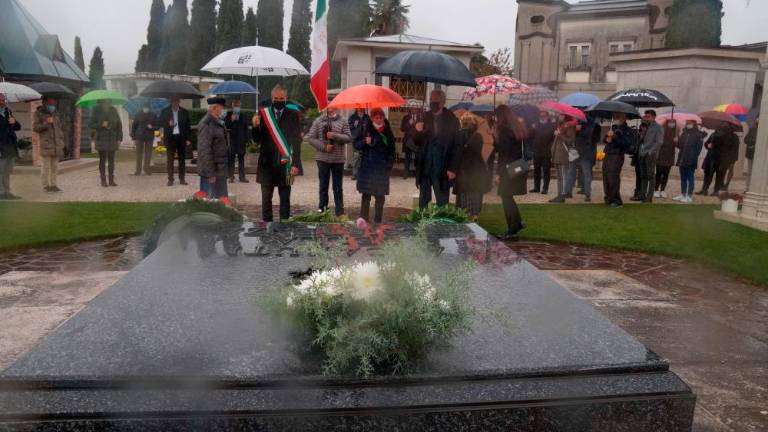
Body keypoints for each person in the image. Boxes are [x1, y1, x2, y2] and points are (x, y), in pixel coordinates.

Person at [252, 85, 302, 222]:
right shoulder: (263, 114)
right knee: (266, 200)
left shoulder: (293, 115)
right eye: (276, 98)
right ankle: (267, 226)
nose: (279, 100)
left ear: (286, 98)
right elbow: (256, 140)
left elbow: (297, 142)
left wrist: (296, 164)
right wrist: (255, 127)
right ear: (271, 98)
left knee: (285, 200)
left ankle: (284, 226)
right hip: (266, 164)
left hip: (285, 164)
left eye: (282, 98)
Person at [414, 89, 461, 208]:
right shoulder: (424, 117)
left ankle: (441, 220)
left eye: (436, 100)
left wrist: (453, 168)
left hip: (442, 167)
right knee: (423, 203)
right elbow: (416, 142)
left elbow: (457, 146)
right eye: (431, 99)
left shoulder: (451, 119)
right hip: (425, 166)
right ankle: (423, 219)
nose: (432, 102)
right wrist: (417, 131)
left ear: (443, 102)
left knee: (442, 203)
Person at [308, 106, 352, 216]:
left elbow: (348, 138)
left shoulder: (343, 121)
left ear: (336, 107)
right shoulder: (318, 121)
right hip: (322, 159)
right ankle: (322, 210)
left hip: (338, 159)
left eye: (331, 106)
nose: (329, 109)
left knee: (338, 187)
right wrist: (324, 147)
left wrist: (335, 136)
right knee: (323, 186)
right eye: (327, 106)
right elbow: (311, 138)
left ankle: (339, 212)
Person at [354, 107, 395, 223]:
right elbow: (356, 144)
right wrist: (364, 142)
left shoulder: (387, 131)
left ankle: (378, 220)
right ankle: (364, 220)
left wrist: (389, 165)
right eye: (376, 118)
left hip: (381, 169)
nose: (379, 120)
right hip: (368, 168)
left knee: (380, 196)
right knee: (366, 196)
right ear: (372, 118)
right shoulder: (365, 128)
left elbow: (392, 150)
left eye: (381, 117)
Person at [494, 105, 529, 240]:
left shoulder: (504, 130)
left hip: (508, 169)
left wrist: (498, 173)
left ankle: (512, 228)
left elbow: (504, 153)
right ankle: (517, 224)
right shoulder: (516, 127)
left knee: (506, 197)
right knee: (507, 197)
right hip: (517, 166)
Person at [454, 113, 490, 220]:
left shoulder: (458, 135)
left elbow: (456, 153)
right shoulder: (477, 136)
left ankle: (463, 215)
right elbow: (477, 152)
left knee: (463, 195)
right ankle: (474, 216)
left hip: (462, 170)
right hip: (476, 170)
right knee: (475, 194)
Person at [197, 97, 230, 199]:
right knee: (210, 204)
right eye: (222, 107)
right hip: (212, 173)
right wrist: (210, 173)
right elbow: (204, 150)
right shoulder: (207, 123)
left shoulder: (218, 122)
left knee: (222, 202)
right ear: (215, 108)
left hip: (220, 171)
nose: (223, 110)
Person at [603, 112, 637, 208]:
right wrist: (607, 138)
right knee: (606, 177)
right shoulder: (613, 127)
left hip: (617, 156)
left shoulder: (628, 130)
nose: (619, 119)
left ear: (625, 118)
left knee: (613, 178)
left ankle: (616, 201)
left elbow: (626, 143)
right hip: (608, 154)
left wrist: (614, 137)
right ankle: (608, 198)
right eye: (617, 117)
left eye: (621, 117)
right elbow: (605, 139)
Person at [564, 116, 599, 202]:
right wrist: (574, 129)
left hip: (585, 154)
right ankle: (568, 192)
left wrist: (580, 129)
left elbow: (590, 134)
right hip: (575, 152)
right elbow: (570, 136)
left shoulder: (591, 123)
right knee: (570, 173)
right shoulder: (575, 122)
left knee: (587, 174)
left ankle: (587, 194)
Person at [33, 98, 65, 192]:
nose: (53, 104)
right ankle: (45, 186)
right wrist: (46, 123)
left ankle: (53, 185)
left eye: (54, 102)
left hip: (56, 145)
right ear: (45, 102)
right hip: (46, 144)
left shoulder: (56, 113)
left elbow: (59, 128)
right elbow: (36, 128)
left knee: (55, 167)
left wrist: (61, 140)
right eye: (50, 102)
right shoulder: (38, 113)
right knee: (46, 167)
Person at [159, 97, 192, 186]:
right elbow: (159, 122)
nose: (175, 104)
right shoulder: (165, 111)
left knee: (182, 160)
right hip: (170, 138)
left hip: (181, 138)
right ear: (171, 102)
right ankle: (170, 179)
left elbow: (188, 126)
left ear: (179, 102)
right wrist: (167, 123)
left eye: (176, 102)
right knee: (170, 160)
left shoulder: (184, 112)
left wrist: (188, 139)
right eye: (173, 102)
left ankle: (182, 178)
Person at [90, 100, 122, 187]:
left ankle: (111, 180)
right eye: (104, 102)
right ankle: (103, 180)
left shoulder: (113, 110)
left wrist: (119, 138)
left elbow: (119, 125)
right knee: (102, 159)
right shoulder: (96, 110)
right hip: (101, 138)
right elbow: (91, 124)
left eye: (108, 102)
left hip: (112, 138)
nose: (106, 104)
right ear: (101, 102)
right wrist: (101, 124)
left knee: (111, 160)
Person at [634, 110, 663, 203]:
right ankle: (642, 194)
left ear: (653, 117)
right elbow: (642, 140)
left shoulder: (658, 128)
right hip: (642, 153)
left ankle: (649, 197)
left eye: (648, 117)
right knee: (643, 175)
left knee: (650, 176)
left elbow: (659, 142)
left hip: (650, 155)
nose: (646, 118)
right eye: (645, 116)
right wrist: (641, 132)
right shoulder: (645, 127)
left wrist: (650, 152)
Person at [673, 120, 705, 203]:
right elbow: (680, 146)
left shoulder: (698, 135)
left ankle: (689, 195)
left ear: (694, 124)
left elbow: (698, 149)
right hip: (682, 159)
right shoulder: (684, 133)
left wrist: (692, 157)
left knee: (690, 178)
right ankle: (683, 194)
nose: (688, 125)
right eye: (687, 123)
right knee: (683, 178)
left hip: (691, 160)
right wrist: (676, 142)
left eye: (690, 123)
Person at [549, 117, 577, 203]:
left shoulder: (569, 126)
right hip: (557, 155)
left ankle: (562, 196)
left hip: (563, 155)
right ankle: (559, 194)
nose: (559, 116)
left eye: (561, 115)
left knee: (563, 177)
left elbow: (570, 141)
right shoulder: (560, 126)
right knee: (559, 177)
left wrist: (559, 135)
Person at [0, 93, 21, 200]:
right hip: (1, 147)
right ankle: (1, 193)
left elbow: (18, 127)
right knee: (0, 171)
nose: (2, 102)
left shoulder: (8, 112)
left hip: (10, 146)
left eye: (3, 100)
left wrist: (14, 122)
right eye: (0, 100)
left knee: (7, 171)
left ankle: (7, 192)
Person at [225, 99, 250, 183]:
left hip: (241, 140)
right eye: (235, 106)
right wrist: (231, 120)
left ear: (240, 106)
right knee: (231, 159)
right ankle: (231, 176)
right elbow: (225, 126)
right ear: (232, 106)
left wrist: (246, 140)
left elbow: (246, 128)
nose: (236, 107)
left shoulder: (243, 115)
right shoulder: (228, 114)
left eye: (238, 106)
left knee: (241, 159)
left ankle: (242, 177)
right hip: (232, 140)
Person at [529, 110, 554, 194]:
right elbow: (530, 136)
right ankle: (536, 187)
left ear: (547, 117)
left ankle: (545, 188)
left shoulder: (552, 126)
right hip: (537, 151)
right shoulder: (536, 125)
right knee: (536, 170)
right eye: (541, 116)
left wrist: (550, 147)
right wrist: (532, 129)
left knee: (546, 170)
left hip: (547, 151)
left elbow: (553, 138)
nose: (542, 117)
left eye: (544, 116)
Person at [130, 102, 157, 176]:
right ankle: (138, 170)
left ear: (149, 108)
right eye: (144, 107)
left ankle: (146, 169)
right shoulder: (138, 114)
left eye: (147, 107)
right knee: (139, 154)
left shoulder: (153, 115)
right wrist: (133, 137)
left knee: (148, 154)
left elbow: (157, 126)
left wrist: (152, 127)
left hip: (149, 137)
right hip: (139, 136)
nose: (146, 109)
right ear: (142, 107)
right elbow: (134, 126)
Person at [654, 118, 678, 198]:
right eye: (670, 122)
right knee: (658, 173)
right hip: (661, 155)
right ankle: (656, 189)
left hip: (669, 156)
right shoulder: (661, 131)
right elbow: (657, 142)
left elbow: (678, 145)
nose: (672, 124)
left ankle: (663, 189)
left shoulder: (676, 133)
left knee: (666, 174)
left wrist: (676, 141)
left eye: (673, 123)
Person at [712, 125, 740, 194]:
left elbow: (734, 147)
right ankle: (723, 184)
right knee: (723, 171)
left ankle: (726, 184)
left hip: (730, 156)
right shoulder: (724, 135)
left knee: (727, 170)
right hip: (726, 156)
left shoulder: (734, 137)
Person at [400, 104, 421, 179]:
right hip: (408, 141)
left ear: (417, 109)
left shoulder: (420, 118)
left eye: (415, 108)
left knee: (418, 157)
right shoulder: (406, 118)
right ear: (410, 109)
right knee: (407, 157)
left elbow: (423, 128)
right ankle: (406, 173)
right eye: (412, 108)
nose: (414, 109)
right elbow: (402, 128)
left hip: (417, 141)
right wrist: (409, 123)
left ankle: (418, 173)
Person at [347, 108, 367, 180]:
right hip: (356, 140)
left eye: (362, 107)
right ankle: (355, 174)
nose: (361, 108)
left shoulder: (367, 117)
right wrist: (355, 125)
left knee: (365, 157)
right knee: (356, 157)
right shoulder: (352, 117)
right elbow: (349, 127)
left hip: (365, 140)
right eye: (359, 107)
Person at [745, 119, 759, 190]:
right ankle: (748, 187)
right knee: (750, 171)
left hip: (759, 155)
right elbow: (745, 140)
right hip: (751, 153)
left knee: (757, 171)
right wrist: (754, 142)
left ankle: (755, 187)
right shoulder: (752, 129)